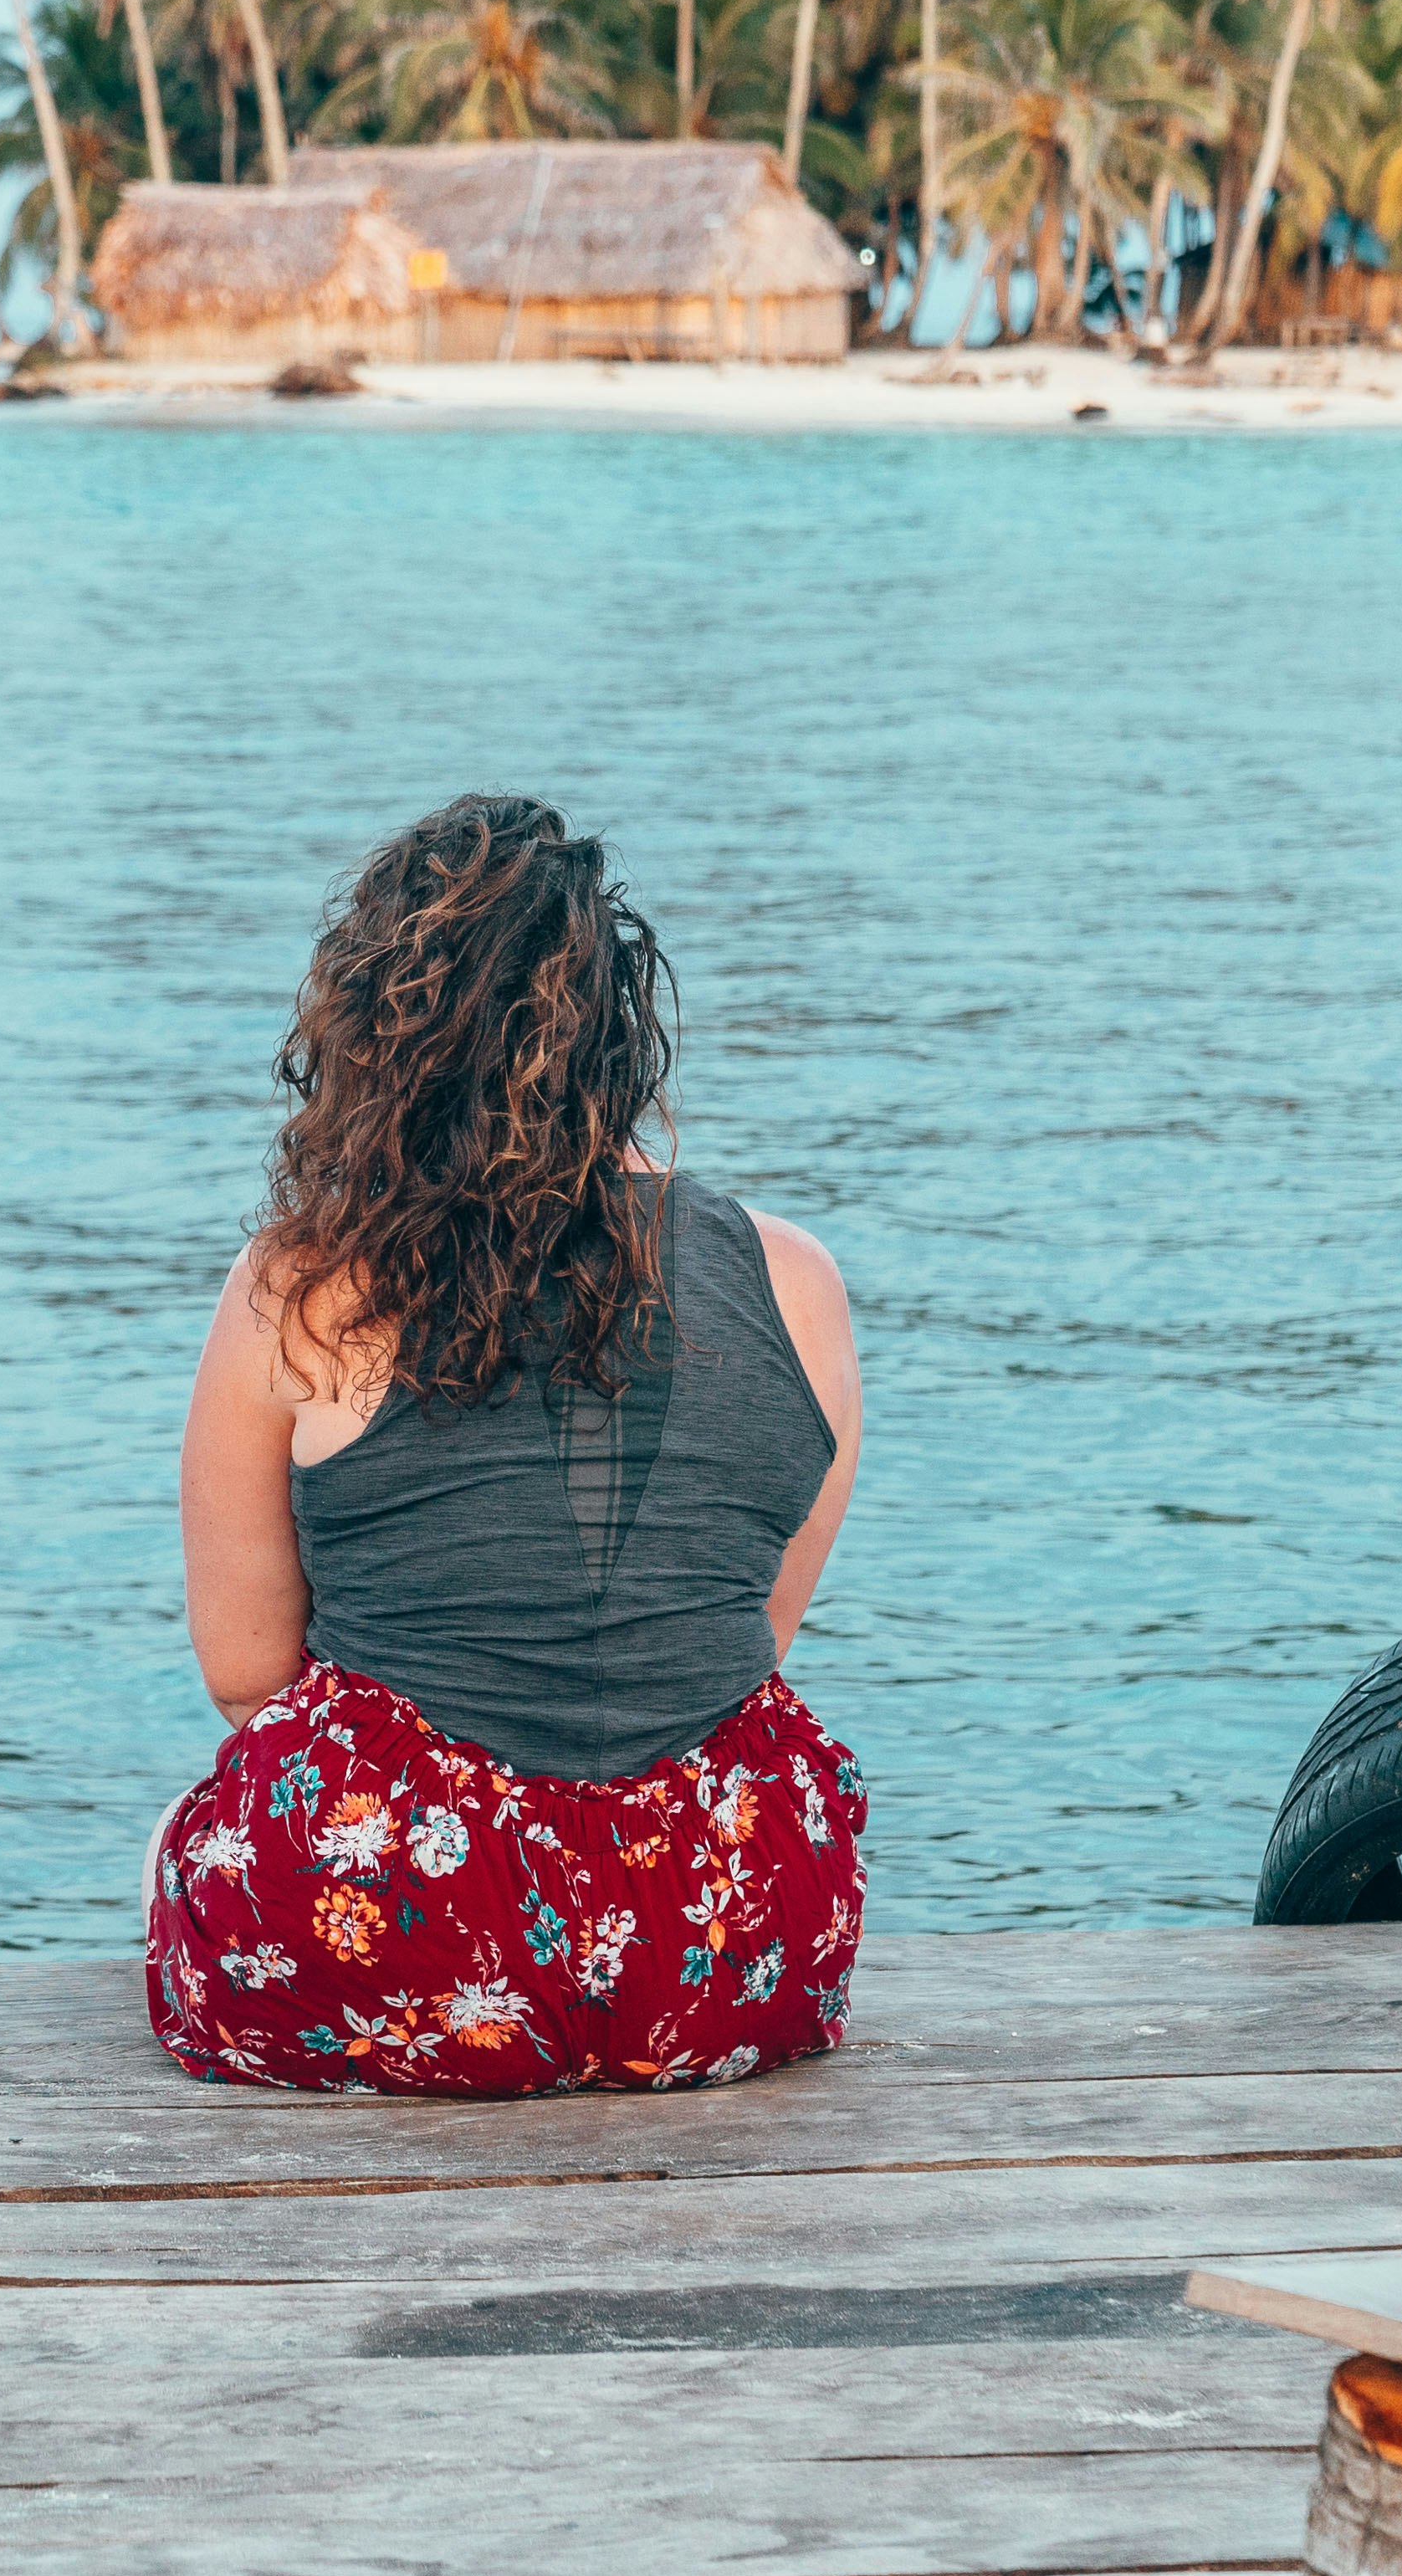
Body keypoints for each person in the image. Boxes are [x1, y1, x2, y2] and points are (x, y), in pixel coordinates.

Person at [148, 797, 866, 2095]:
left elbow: (248, 1673)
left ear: (371, 1037)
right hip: (732, 1933)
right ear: (621, 1033)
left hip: (406, 1933)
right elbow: (741, 1631)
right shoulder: (795, 1283)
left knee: (187, 1835)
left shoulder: (304, 1287)